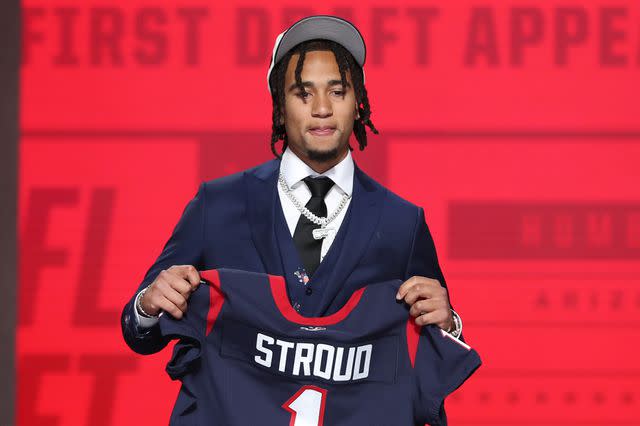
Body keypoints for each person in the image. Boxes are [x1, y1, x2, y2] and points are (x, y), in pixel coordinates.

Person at [121, 15, 463, 357]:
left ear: (357, 105)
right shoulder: (218, 203)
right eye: (303, 93)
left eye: (338, 91)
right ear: (280, 109)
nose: (322, 108)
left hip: (350, 412)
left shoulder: (402, 223)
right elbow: (140, 334)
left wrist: (449, 325)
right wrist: (148, 306)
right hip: (233, 411)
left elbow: (437, 353)